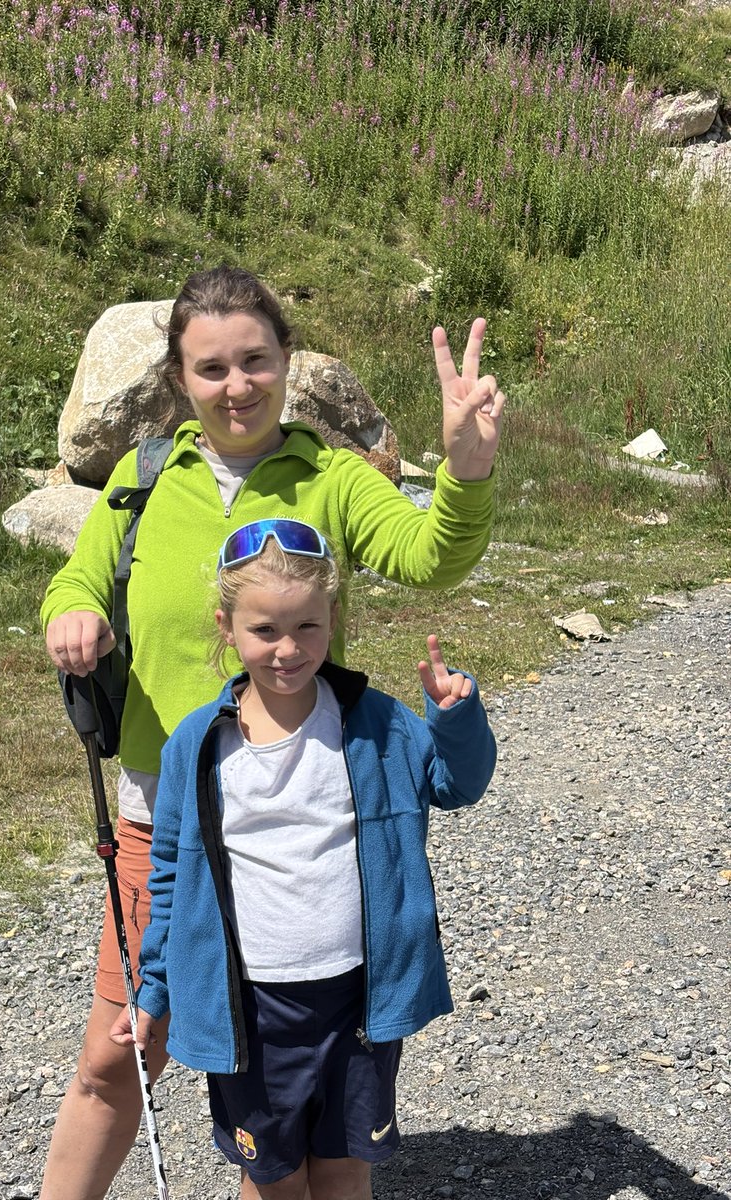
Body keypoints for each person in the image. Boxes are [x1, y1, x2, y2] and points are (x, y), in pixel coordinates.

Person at [40, 264, 505, 1200]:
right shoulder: (142, 480)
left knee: (292, 1063)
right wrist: (72, 614)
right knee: (117, 1054)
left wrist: (465, 469)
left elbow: (431, 555)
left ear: (287, 361)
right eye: (211, 368)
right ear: (180, 378)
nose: (236, 386)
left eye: (255, 360)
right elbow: (79, 579)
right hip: (165, 818)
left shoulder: (329, 477)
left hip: (302, 813)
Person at [111, 520, 496, 1199]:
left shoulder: (378, 723)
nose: (287, 649)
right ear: (227, 627)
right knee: (273, 1177)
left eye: (307, 628)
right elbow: (169, 877)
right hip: (251, 1009)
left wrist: (453, 719)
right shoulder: (197, 745)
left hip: (357, 998)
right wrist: (154, 994)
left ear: (333, 619)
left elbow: (455, 785)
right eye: (264, 630)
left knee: (346, 1169)